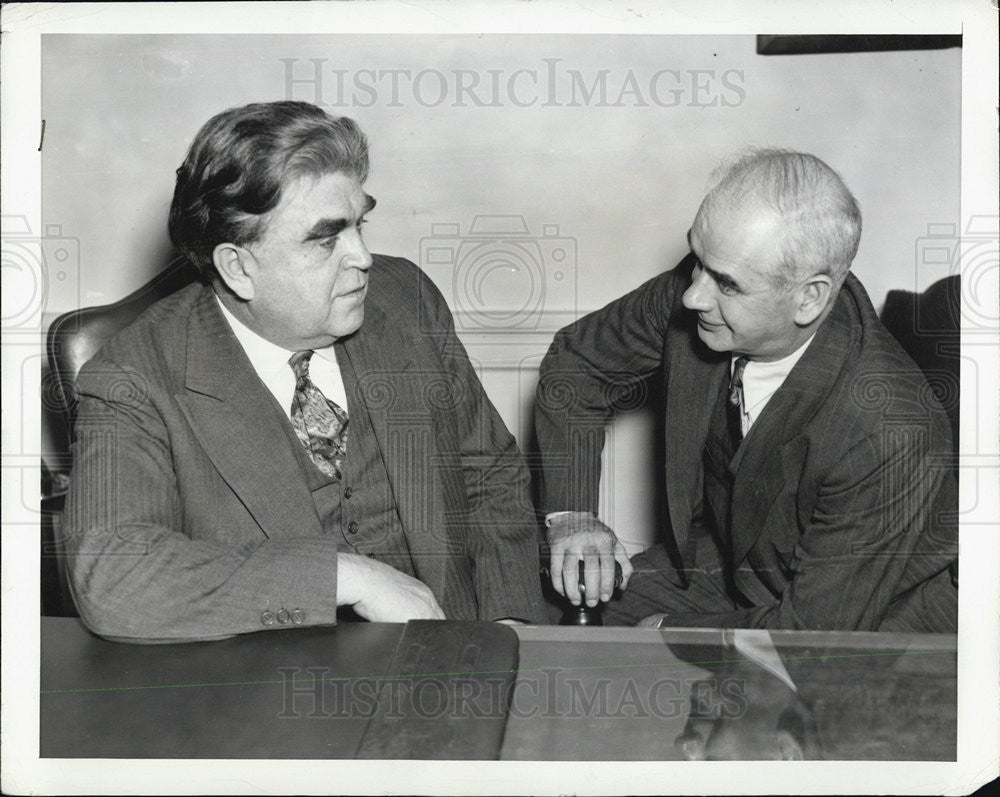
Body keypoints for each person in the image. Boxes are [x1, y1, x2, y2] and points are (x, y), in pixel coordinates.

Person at [63, 100, 546, 642]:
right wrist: (344, 576)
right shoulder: (132, 376)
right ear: (238, 268)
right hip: (271, 693)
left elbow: (487, 472)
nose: (362, 257)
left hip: (448, 655)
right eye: (326, 238)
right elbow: (115, 577)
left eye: (360, 224)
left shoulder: (405, 300)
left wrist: (508, 625)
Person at [535, 148, 957, 631]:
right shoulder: (700, 289)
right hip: (735, 559)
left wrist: (667, 632)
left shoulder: (891, 429)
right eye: (697, 260)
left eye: (728, 285)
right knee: (540, 613)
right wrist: (570, 516)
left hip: (873, 610)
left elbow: (812, 635)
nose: (693, 296)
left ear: (809, 297)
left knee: (683, 690)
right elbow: (578, 365)